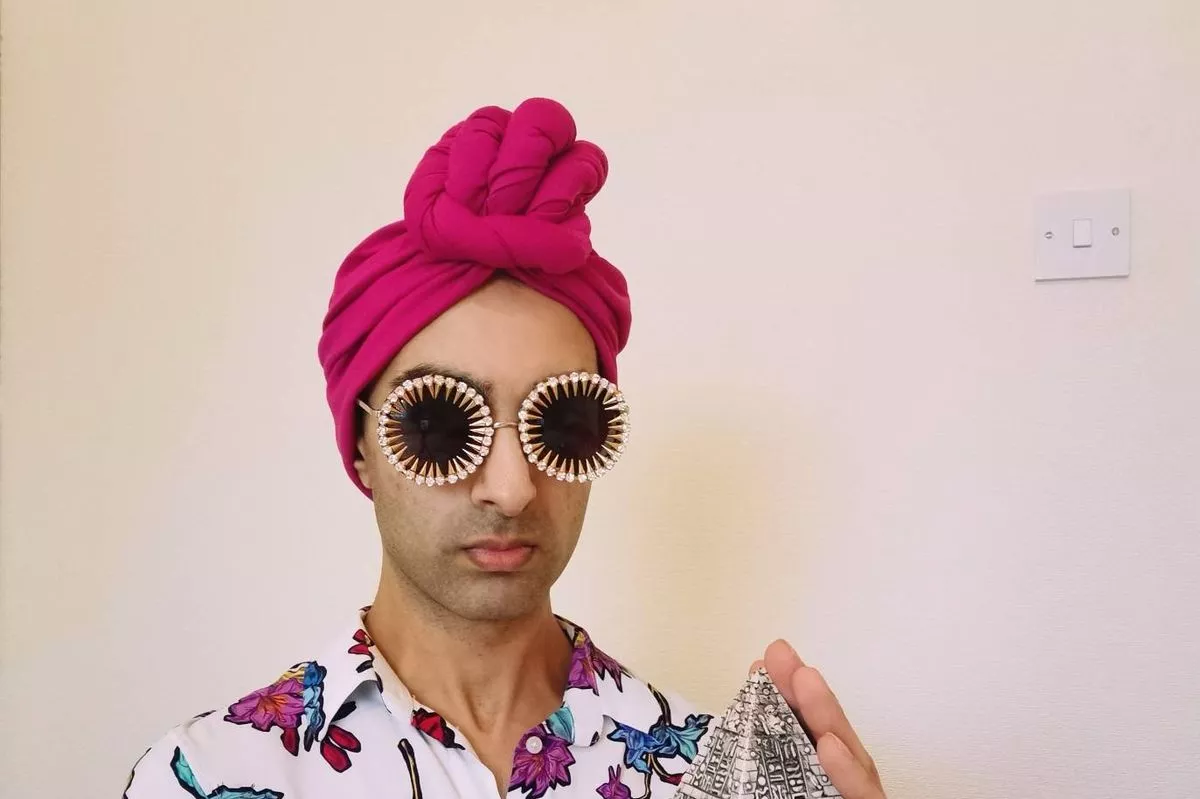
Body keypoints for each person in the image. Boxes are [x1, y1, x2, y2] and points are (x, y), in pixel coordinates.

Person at [123, 98, 887, 799]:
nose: (512, 487)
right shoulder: (206, 779)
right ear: (360, 447)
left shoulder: (703, 775)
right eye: (439, 424)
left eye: (562, 422)